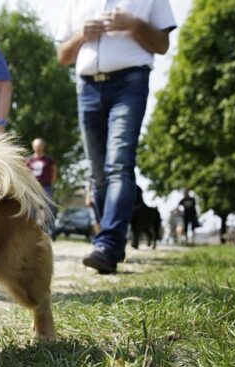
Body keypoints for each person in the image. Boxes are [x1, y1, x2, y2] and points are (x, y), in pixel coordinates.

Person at [56, 0, 176, 274]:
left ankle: (108, 245)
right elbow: (63, 56)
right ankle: (108, 242)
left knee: (119, 165)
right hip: (87, 87)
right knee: (97, 174)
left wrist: (134, 24)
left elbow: (162, 45)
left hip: (130, 83)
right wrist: (80, 35)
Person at [27, 138, 58, 237]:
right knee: (32, 209)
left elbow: (54, 171)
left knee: (48, 209)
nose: (37, 147)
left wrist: (51, 183)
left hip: (46, 187)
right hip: (33, 188)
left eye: (39, 145)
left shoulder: (48, 160)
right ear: (33, 146)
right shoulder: (29, 160)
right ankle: (31, 232)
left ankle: (50, 232)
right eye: (36, 145)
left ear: (43, 146)